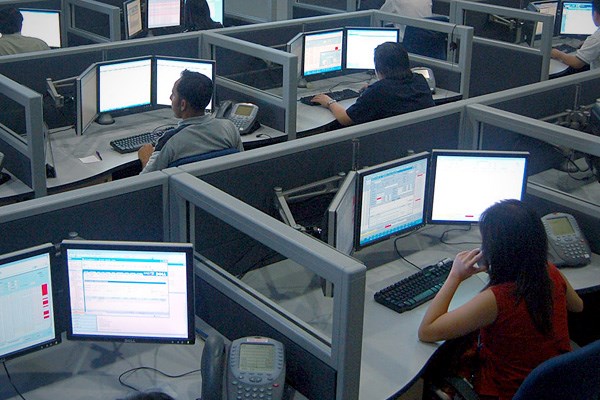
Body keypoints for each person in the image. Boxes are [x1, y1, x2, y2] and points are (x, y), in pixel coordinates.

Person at [418, 199, 584, 400]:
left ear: (496, 250)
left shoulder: (496, 299)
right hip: (553, 386)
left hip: (506, 391)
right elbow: (578, 306)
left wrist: (455, 276)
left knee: (437, 365)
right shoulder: (549, 272)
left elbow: (427, 331)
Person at [138, 70, 243, 174]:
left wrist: (146, 159)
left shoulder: (169, 141)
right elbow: (243, 164)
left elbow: (146, 180)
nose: (170, 98)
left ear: (183, 105)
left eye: (173, 95)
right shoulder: (229, 128)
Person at [310, 42, 434, 128]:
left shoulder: (379, 90)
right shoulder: (419, 79)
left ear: (379, 68)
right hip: (418, 137)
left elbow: (345, 119)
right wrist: (374, 88)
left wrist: (329, 102)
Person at [551, 0, 600, 70]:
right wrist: (588, 44)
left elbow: (576, 63)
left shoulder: (596, 39)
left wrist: (557, 54)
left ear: (595, 14)